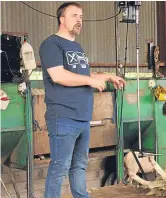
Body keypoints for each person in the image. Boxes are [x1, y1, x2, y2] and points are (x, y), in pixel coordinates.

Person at [39, 2, 126, 198]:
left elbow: (85, 73)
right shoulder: (51, 44)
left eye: (81, 17)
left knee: (79, 166)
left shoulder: (77, 47)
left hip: (82, 118)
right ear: (62, 19)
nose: (79, 20)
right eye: (74, 15)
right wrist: (90, 80)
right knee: (60, 167)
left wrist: (108, 77)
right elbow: (59, 75)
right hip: (63, 116)